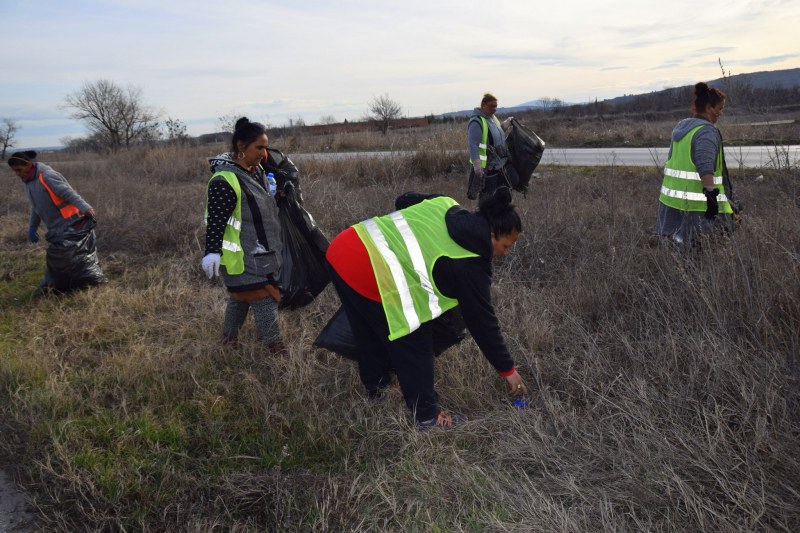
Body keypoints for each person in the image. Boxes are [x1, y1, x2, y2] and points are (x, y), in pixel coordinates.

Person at [325, 186, 529, 429]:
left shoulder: (445, 203)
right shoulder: (471, 265)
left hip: (343, 248)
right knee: (415, 335)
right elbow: (483, 323)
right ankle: (426, 416)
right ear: (492, 234)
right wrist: (508, 371)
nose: (505, 253)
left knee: (368, 330)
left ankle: (378, 389)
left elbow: (404, 199)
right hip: (367, 269)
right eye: (506, 246)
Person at [201, 117, 286, 355]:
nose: (264, 152)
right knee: (262, 298)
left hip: (263, 252)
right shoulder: (224, 180)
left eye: (265, 146)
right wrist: (212, 252)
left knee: (240, 297)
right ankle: (277, 348)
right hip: (243, 255)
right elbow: (216, 221)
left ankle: (228, 340)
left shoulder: (255, 171)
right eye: (259, 147)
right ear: (241, 146)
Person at [8, 150, 106, 295]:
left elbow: (68, 193)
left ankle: (80, 283)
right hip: (55, 227)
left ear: (28, 164)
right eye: (15, 171)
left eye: (19, 169)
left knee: (67, 257)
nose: (17, 173)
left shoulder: (47, 176)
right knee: (67, 259)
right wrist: (32, 228)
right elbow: (35, 207)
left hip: (71, 222)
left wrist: (86, 208)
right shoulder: (28, 183)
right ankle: (75, 284)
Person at [656, 82, 738, 246]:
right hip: (697, 211)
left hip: (672, 206)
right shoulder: (706, 131)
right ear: (708, 108)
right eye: (719, 108)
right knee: (701, 258)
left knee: (681, 256)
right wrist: (712, 200)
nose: (720, 113)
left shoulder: (682, 129)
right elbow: (705, 167)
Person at [467, 93, 519, 199]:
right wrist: (477, 166)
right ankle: (485, 215)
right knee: (488, 199)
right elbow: (473, 145)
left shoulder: (492, 118)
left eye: (496, 106)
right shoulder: (476, 122)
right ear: (484, 105)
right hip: (488, 169)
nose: (495, 109)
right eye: (492, 106)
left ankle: (502, 214)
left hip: (500, 165)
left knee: (507, 191)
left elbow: (496, 133)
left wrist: (507, 123)